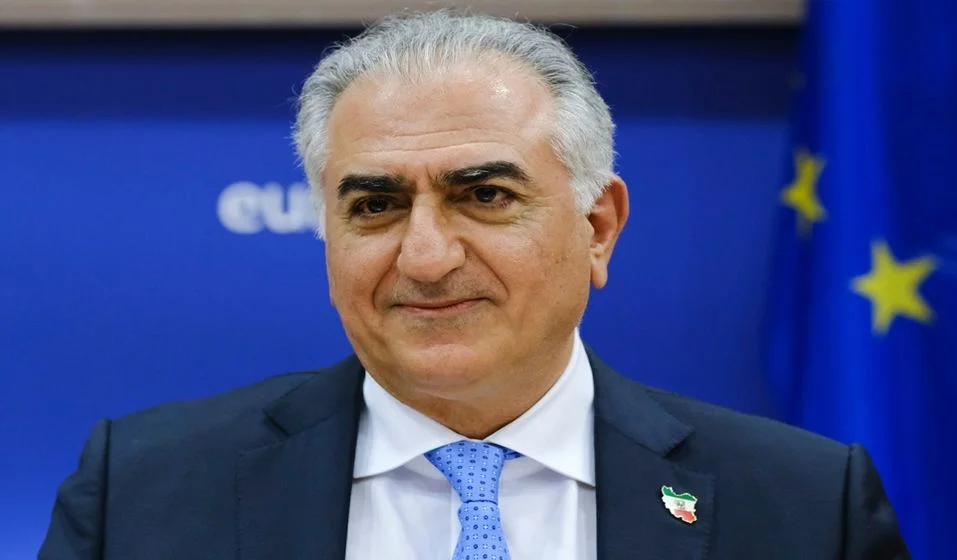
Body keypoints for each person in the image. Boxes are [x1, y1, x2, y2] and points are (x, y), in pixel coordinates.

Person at [39, 10, 909, 560]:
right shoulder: (143, 493)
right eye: (375, 206)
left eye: (484, 196)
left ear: (597, 226)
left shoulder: (801, 507)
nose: (424, 258)